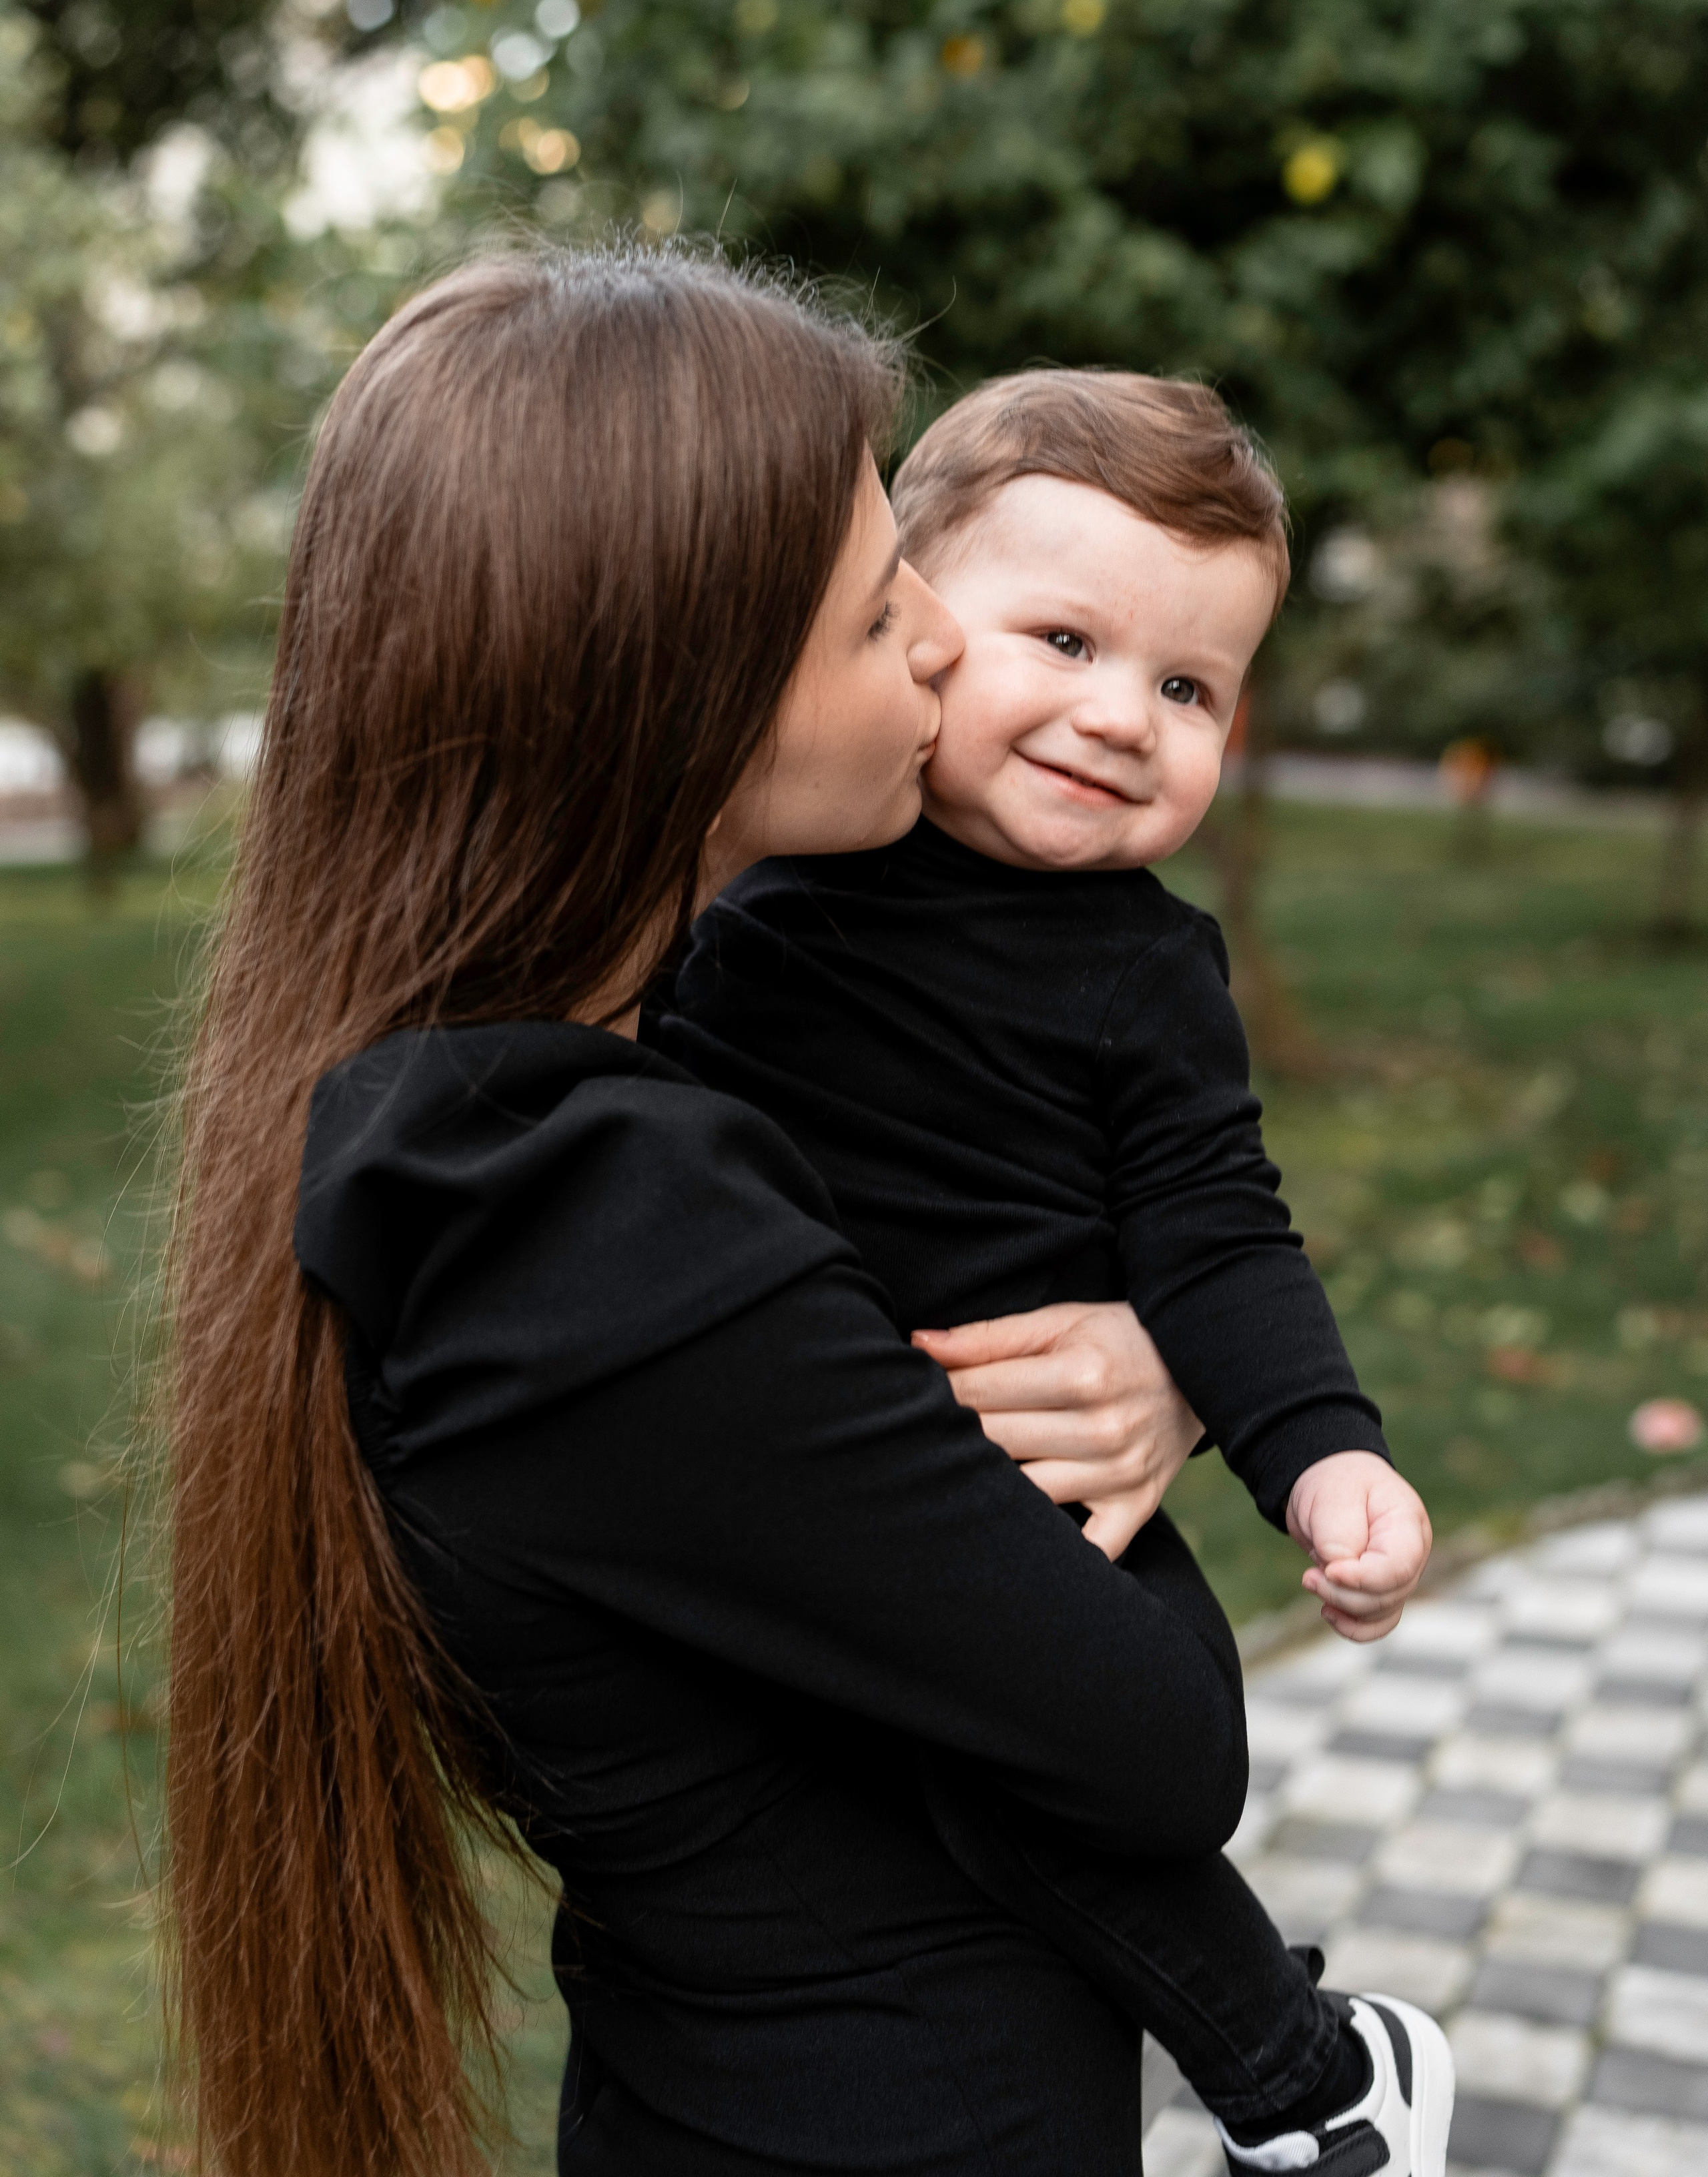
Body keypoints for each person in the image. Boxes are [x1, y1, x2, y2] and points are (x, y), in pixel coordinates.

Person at [165, 246, 1283, 2177]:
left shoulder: (540, 1103)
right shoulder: (590, 1221)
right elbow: (1162, 1746)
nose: (946, 646)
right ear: (677, 696)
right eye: (879, 615)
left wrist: (1168, 1341)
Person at [662, 369, 1453, 2176]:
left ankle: (1304, 2076)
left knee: (1025, 1786)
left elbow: (1216, 1222)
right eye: (1068, 640)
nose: (1123, 717)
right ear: (912, 626)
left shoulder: (1145, 971)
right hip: (847, 1497)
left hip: (1050, 1520)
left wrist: (1325, 1455)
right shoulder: (763, 891)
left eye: (1189, 689)